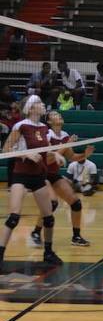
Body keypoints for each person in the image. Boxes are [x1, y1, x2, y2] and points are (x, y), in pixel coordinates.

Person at [0, 96, 62, 266]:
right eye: (40, 103)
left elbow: (46, 151)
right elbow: (5, 150)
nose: (43, 105)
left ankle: (48, 253)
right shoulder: (21, 125)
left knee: (49, 218)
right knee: (13, 217)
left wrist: (55, 154)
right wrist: (25, 154)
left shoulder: (44, 128)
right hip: (20, 175)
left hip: (38, 176)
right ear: (31, 108)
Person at [30, 111, 95, 247]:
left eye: (59, 114)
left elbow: (72, 157)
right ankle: (36, 232)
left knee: (76, 203)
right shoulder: (46, 135)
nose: (58, 115)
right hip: (42, 174)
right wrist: (67, 144)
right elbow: (48, 159)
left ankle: (76, 237)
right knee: (52, 203)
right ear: (48, 121)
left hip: (54, 175)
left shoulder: (65, 135)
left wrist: (85, 154)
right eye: (54, 114)